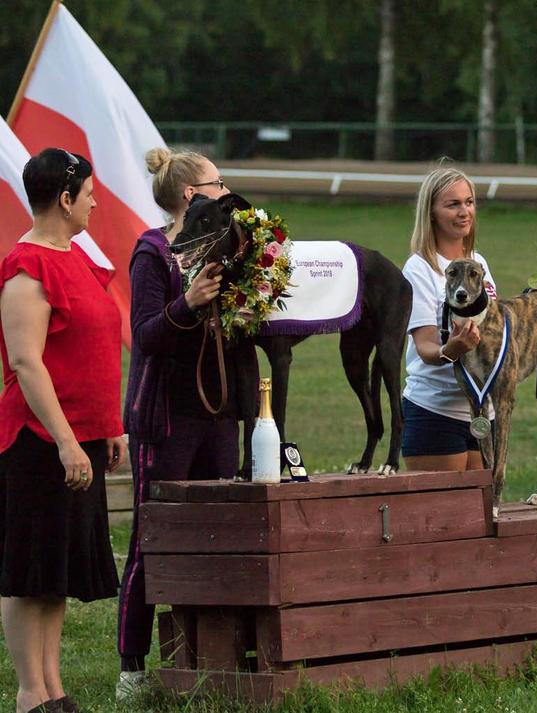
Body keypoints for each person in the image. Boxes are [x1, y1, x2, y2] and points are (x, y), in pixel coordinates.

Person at [116, 148, 258, 699]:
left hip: (219, 413)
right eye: (219, 184)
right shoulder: (153, 252)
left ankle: (209, 655)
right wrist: (189, 304)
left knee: (218, 534)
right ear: (191, 197)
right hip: (166, 416)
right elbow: (146, 334)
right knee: (151, 539)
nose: (228, 192)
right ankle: (132, 664)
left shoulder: (233, 247)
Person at [0, 148, 125, 713]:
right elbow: (27, 363)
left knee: (55, 567)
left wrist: (108, 427)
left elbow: (94, 349)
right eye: (89, 192)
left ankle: (53, 687)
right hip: (38, 442)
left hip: (81, 439)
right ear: (65, 198)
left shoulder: (76, 256)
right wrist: (69, 441)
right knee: (29, 570)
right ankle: (30, 694)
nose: (96, 201)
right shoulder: (28, 268)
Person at [401, 165, 496, 471]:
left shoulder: (478, 262)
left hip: (483, 412)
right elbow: (427, 348)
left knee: (481, 515)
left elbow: (495, 331)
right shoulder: (419, 269)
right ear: (431, 212)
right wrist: (451, 349)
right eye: (452, 204)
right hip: (435, 411)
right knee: (439, 516)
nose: (464, 211)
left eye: (468, 202)